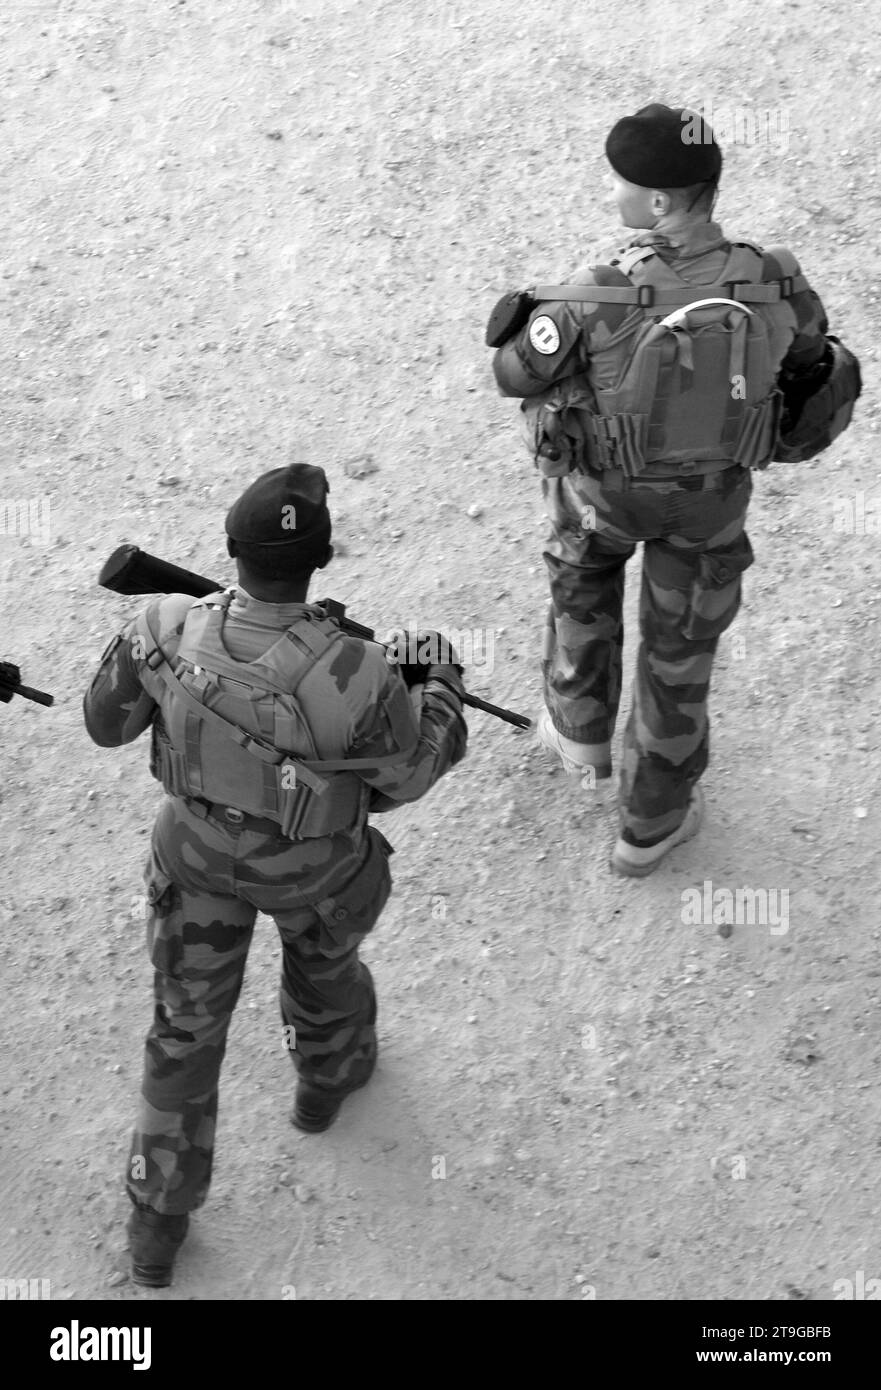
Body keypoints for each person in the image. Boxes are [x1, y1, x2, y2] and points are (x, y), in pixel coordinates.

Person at [83, 463, 467, 1286]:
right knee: (325, 969)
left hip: (192, 860)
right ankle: (323, 1087)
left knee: (183, 1034)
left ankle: (156, 1231)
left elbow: (104, 726)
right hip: (311, 869)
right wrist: (438, 687)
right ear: (321, 559)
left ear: (229, 548)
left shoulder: (164, 625)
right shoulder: (359, 670)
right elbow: (405, 780)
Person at [490, 102, 841, 876]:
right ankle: (649, 827)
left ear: (656, 203)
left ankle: (579, 733)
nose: (612, 193)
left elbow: (512, 372)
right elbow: (812, 358)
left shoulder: (599, 288)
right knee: (679, 656)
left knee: (582, 583)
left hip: (605, 495)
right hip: (711, 502)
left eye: (621, 183)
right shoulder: (774, 274)